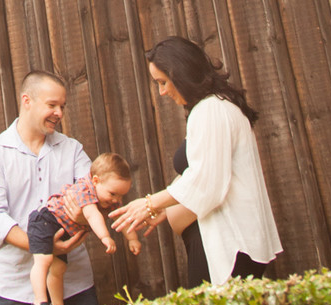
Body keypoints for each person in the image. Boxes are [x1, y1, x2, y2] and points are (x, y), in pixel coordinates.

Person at [111, 36, 281, 285]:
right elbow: (208, 172)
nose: (162, 92)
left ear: (182, 74)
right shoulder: (217, 107)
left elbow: (206, 181)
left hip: (229, 242)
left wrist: (150, 203)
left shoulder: (211, 110)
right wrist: (168, 208)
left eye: (163, 82)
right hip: (225, 240)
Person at [0, 69, 101, 305]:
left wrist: (76, 221)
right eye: (52, 105)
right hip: (12, 283)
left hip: (73, 280)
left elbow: (92, 196)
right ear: (27, 101)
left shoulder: (73, 150)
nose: (59, 113)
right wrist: (43, 244)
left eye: (62, 106)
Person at [26, 152, 140, 305]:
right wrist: (105, 237)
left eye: (121, 196)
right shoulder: (84, 190)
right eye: (113, 194)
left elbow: (121, 217)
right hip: (45, 221)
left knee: (59, 269)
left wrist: (132, 239)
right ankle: (39, 301)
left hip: (61, 228)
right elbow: (92, 215)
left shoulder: (109, 197)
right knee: (44, 260)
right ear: (95, 181)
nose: (116, 200)